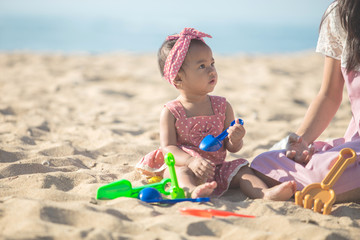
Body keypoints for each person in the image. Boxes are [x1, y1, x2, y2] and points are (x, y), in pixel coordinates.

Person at [136, 27, 296, 200]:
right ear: (178, 78)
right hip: (186, 165)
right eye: (202, 66)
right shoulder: (172, 111)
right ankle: (191, 190)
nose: (211, 70)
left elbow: (231, 147)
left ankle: (264, 193)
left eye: (212, 63)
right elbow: (168, 148)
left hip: (216, 167)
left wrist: (236, 138)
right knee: (177, 172)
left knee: (243, 171)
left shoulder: (222, 106)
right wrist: (191, 161)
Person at [251, 0, 360, 203]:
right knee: (265, 162)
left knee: (327, 173)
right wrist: (300, 143)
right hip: (355, 147)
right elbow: (328, 95)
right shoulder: (340, 14)